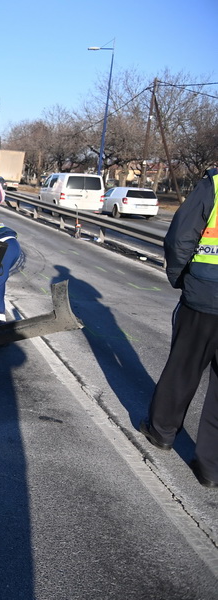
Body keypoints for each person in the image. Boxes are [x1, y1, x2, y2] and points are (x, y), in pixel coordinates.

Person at [139, 169, 218, 488]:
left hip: (205, 297)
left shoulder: (213, 185)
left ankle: (162, 432)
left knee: (183, 368)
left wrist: (179, 277)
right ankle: (211, 468)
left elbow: (180, 238)